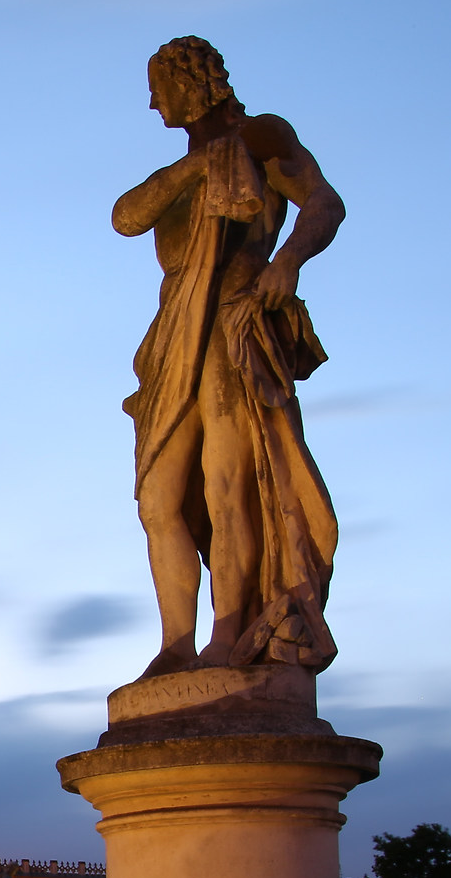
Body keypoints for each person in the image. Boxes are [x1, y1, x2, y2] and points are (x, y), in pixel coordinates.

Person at [115, 36, 345, 677]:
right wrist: (196, 168)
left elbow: (325, 205)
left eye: (160, 84)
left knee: (226, 485)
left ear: (194, 82)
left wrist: (288, 263)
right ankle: (174, 645)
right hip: (172, 333)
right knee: (159, 499)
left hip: (230, 319)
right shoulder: (191, 167)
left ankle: (225, 637)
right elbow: (125, 218)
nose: (153, 100)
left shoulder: (262, 136)